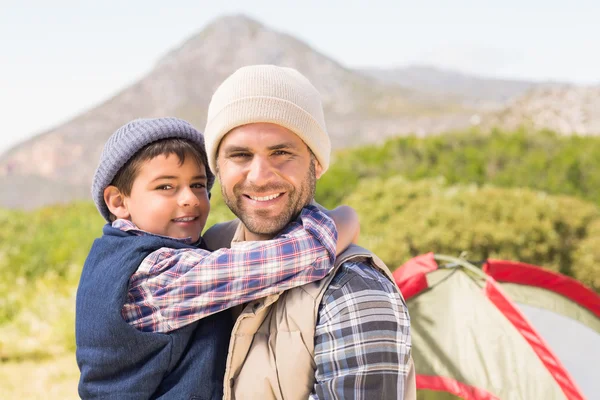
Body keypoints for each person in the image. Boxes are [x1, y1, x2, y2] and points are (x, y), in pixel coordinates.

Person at [75, 117, 359, 399]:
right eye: (165, 187)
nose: (189, 199)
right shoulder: (157, 274)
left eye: (198, 185)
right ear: (118, 202)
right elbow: (298, 256)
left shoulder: (111, 255)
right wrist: (345, 218)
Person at [201, 65, 416, 399]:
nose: (259, 177)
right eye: (240, 155)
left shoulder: (355, 290)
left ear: (316, 163)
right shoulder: (205, 253)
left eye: (281, 153)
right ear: (218, 167)